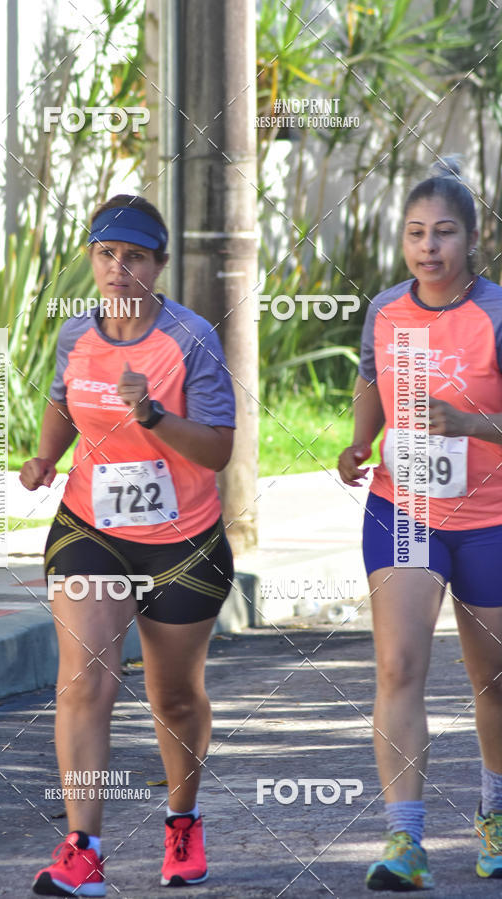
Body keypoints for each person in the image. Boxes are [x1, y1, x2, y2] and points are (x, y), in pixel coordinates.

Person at [20, 195, 236, 897]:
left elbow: (218, 448)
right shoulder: (76, 335)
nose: (119, 269)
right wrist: (46, 457)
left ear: (159, 265)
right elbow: (63, 398)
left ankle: (182, 819)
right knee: (84, 683)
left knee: (173, 697)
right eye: (107, 254)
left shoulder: (190, 337)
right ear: (92, 259)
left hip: (182, 544)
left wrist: (153, 415)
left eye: (135, 257)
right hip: (92, 531)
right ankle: (83, 848)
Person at [338, 158, 502, 891]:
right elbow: (371, 381)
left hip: (491, 516)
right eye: (415, 234)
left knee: (493, 678)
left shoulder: (495, 312)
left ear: (473, 237)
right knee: (399, 666)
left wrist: (469, 421)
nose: (428, 247)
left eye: (443, 233)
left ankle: (495, 819)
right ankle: (404, 839)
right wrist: (357, 442)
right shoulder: (387, 311)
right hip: (404, 510)